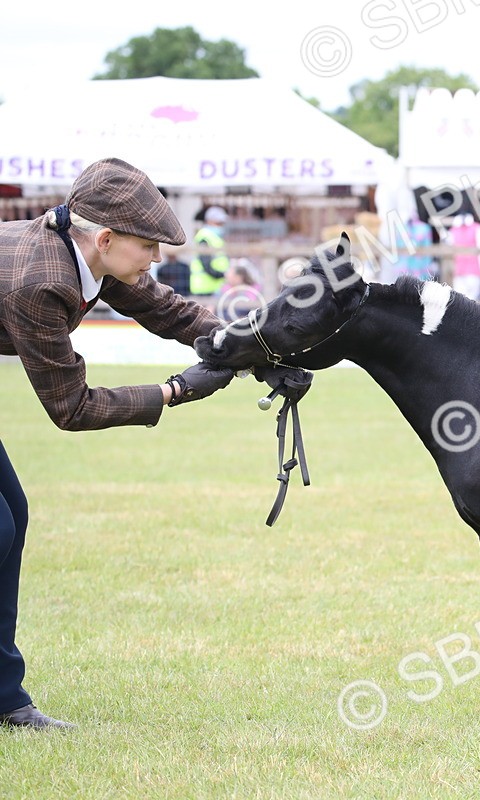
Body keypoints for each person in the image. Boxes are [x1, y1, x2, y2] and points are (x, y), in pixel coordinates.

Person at [0, 158, 237, 730]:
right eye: (148, 247)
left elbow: (167, 310)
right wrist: (175, 390)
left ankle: (4, 698)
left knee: (13, 518)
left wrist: (249, 345)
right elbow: (72, 408)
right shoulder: (43, 280)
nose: (155, 258)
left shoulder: (92, 257)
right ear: (105, 239)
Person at [189, 205, 230, 296]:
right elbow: (206, 264)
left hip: (215, 288)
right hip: (204, 289)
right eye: (218, 223)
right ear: (209, 221)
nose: (221, 226)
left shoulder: (216, 238)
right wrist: (224, 275)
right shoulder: (204, 237)